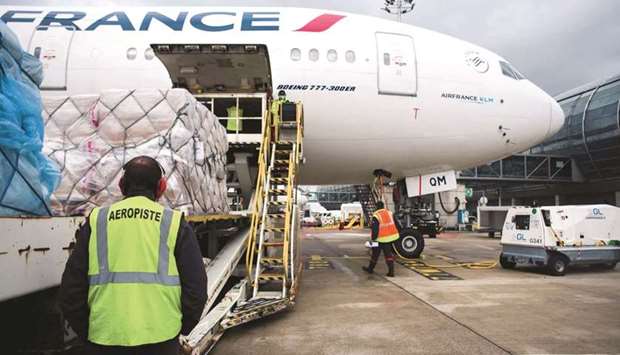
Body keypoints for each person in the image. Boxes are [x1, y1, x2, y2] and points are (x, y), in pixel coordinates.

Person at [59, 156, 208, 355]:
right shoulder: (173, 223)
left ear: (122, 185)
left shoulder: (97, 221)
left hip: (104, 339)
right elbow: (196, 288)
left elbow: (71, 289)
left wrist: (90, 332)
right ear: (161, 187)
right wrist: (179, 329)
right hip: (161, 340)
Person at [362, 201, 400, 277]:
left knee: (375, 254)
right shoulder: (389, 213)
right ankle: (391, 271)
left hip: (380, 238)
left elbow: (375, 229)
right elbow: (397, 224)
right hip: (390, 238)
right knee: (388, 255)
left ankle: (370, 269)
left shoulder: (376, 215)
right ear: (383, 206)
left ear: (376, 207)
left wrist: (373, 239)